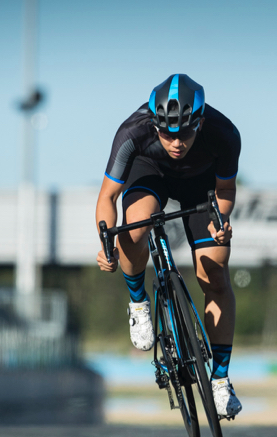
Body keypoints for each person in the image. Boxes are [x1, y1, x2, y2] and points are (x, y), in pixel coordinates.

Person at [95, 74, 242, 418]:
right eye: (167, 133)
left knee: (215, 274)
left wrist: (221, 223)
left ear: (200, 122)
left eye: (186, 133)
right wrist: (105, 240)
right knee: (132, 229)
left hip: (201, 183)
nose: (176, 142)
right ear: (153, 122)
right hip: (150, 174)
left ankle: (220, 381)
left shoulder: (224, 133)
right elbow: (108, 197)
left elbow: (227, 191)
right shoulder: (132, 132)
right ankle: (138, 302)